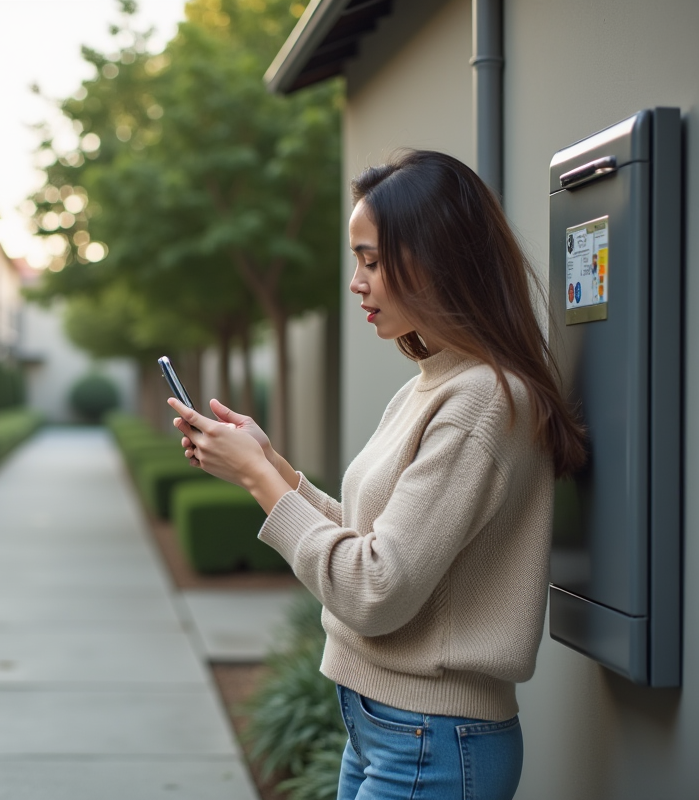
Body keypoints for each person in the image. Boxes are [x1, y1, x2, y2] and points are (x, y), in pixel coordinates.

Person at [168, 150, 586, 800]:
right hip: (388, 730)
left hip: (432, 740)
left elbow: (375, 590)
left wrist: (259, 480)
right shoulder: (435, 383)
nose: (356, 283)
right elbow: (370, 539)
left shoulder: (481, 401)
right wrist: (269, 462)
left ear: (437, 257)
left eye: (371, 260)